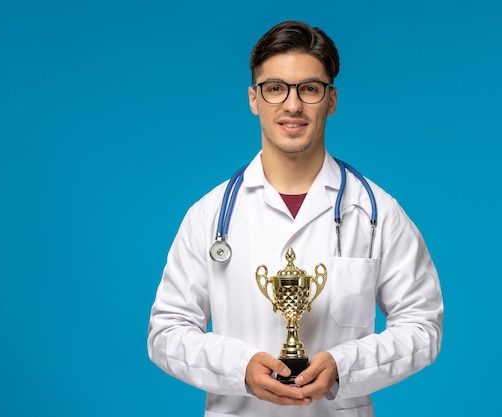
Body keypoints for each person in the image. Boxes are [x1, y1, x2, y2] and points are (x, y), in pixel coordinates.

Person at [148, 20, 444, 417]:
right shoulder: (209, 215)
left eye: (309, 88)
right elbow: (166, 332)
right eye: (275, 89)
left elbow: (422, 327)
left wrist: (345, 365)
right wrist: (240, 369)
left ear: (331, 100)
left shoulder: (376, 212)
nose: (292, 105)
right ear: (254, 99)